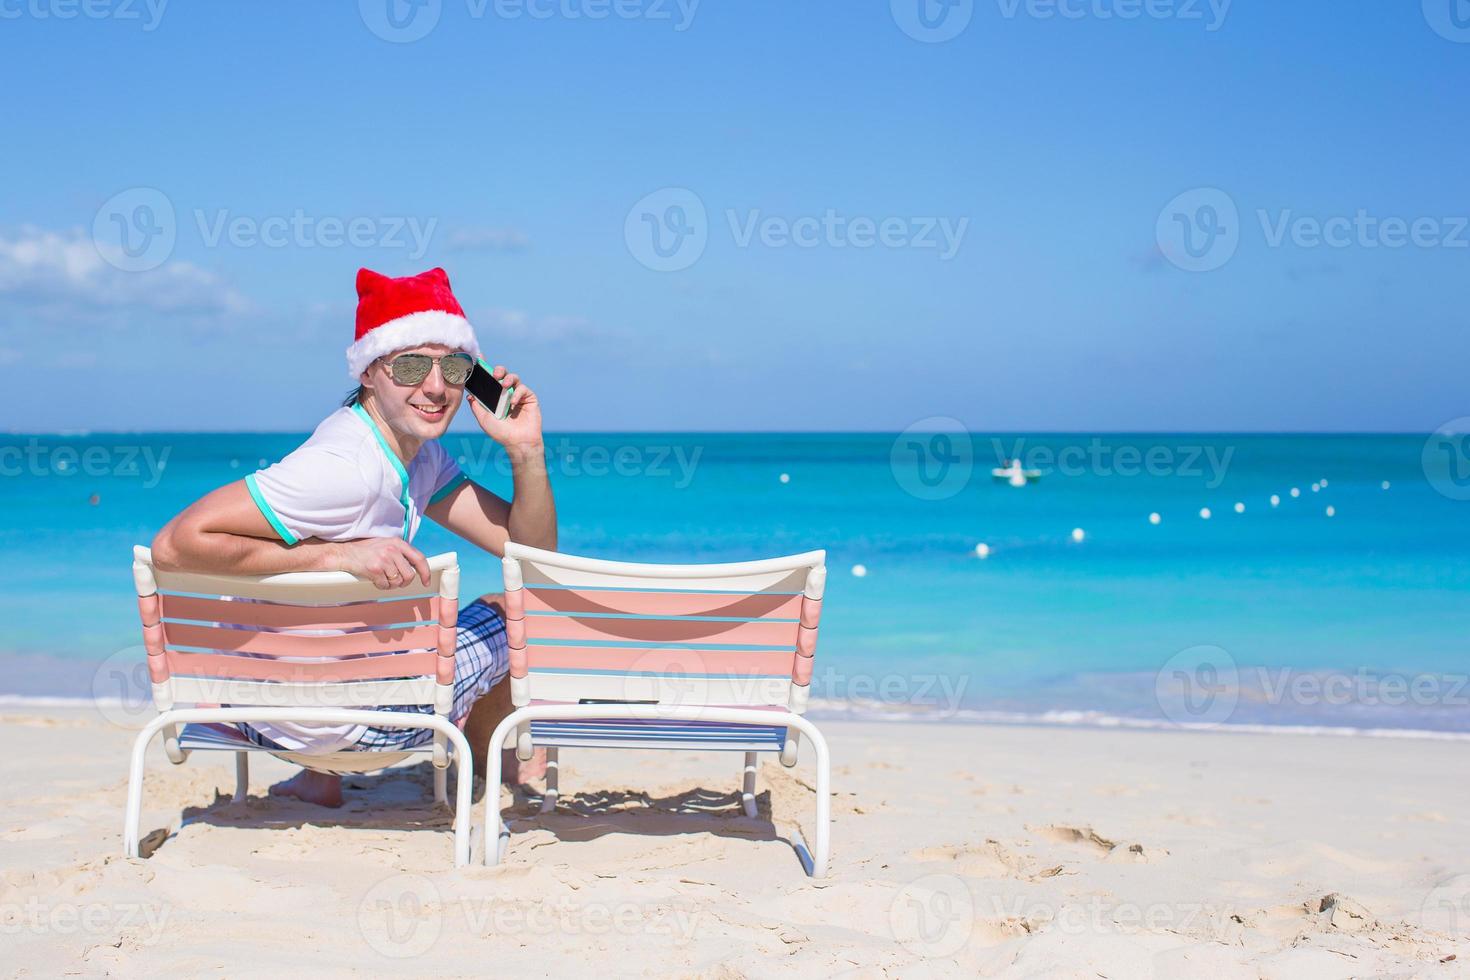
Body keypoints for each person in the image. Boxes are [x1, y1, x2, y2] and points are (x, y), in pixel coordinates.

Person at [150, 267, 555, 807]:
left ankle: (320, 780)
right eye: (411, 366)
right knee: (515, 610)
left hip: (260, 716)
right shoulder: (343, 469)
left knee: (358, 623)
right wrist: (339, 555)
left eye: (454, 367)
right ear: (369, 371)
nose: (435, 387)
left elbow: (527, 550)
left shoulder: (416, 455)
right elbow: (173, 545)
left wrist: (525, 451)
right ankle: (502, 765)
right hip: (342, 729)